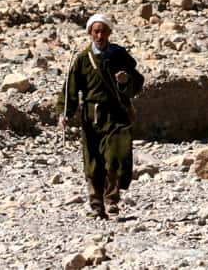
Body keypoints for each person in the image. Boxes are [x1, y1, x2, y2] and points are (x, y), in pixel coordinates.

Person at [57, 14, 144, 219]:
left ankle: (111, 199)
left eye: (103, 31)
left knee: (117, 156)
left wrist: (125, 81)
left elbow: (137, 81)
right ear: (90, 33)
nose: (100, 35)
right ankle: (97, 206)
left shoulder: (119, 55)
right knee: (93, 161)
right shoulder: (82, 60)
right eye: (96, 31)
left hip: (117, 114)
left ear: (109, 33)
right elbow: (70, 90)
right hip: (92, 116)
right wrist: (65, 113)